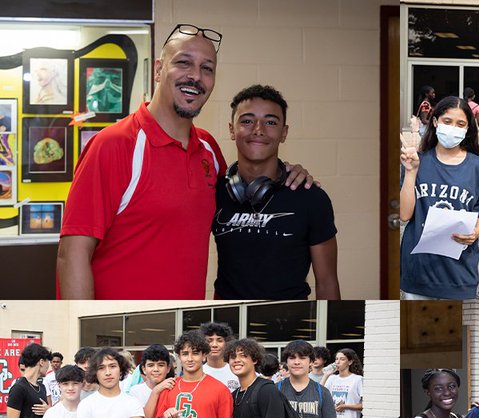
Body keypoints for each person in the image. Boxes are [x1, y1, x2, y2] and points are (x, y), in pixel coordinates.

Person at [58, 24, 312, 299]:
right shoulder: (114, 145)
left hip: (181, 325)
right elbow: (72, 254)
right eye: (183, 63)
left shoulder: (209, 150)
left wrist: (289, 174)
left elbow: (249, 195)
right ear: (158, 69)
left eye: (207, 68)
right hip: (119, 326)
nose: (195, 76)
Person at [213, 84, 339, 299]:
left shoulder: (311, 198)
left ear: (284, 133)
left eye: (270, 122)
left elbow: (327, 283)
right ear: (232, 130)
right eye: (247, 121)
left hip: (289, 321)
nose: (258, 129)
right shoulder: (215, 193)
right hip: (230, 321)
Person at [399, 96, 479, 300]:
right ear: (435, 121)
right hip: (419, 269)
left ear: (468, 129)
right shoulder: (418, 161)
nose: (452, 128)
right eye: (447, 121)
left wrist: (476, 231)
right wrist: (411, 172)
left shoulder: (478, 167)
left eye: (460, 124)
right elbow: (405, 215)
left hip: (459, 270)